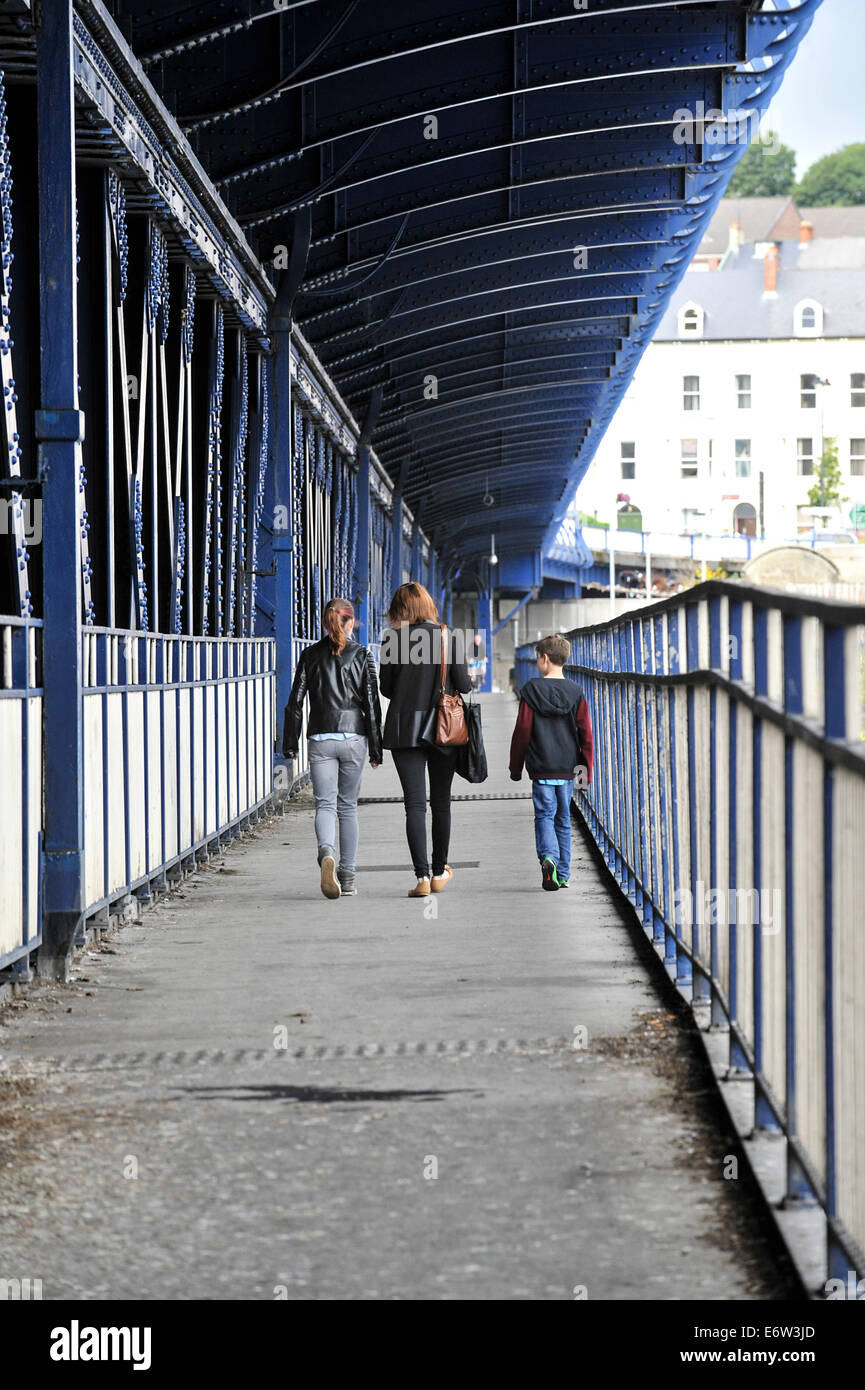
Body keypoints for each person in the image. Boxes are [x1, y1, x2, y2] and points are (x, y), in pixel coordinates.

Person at [282, 597, 382, 900]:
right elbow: (372, 705)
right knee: (347, 807)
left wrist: (290, 744)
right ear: (349, 622)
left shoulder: (309, 655)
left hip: (321, 737)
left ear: (325, 622)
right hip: (353, 737)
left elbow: (295, 703)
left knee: (324, 805)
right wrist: (377, 749)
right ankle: (348, 877)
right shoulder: (362, 655)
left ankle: (327, 852)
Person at [379, 582, 472, 898]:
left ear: (400, 610)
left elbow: (387, 689)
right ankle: (437, 872)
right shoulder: (449, 636)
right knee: (441, 802)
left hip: (404, 728)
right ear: (427, 605)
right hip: (443, 729)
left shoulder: (393, 639)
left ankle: (420, 878)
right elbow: (464, 685)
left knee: (414, 805)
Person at [508, 633, 594, 891]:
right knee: (563, 820)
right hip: (567, 770)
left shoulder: (531, 690)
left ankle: (548, 858)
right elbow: (586, 735)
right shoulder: (576, 692)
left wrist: (515, 767)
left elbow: (522, 731)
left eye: (537, 659)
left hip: (541, 768)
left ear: (544, 659)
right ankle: (564, 874)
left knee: (544, 815)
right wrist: (584, 773)